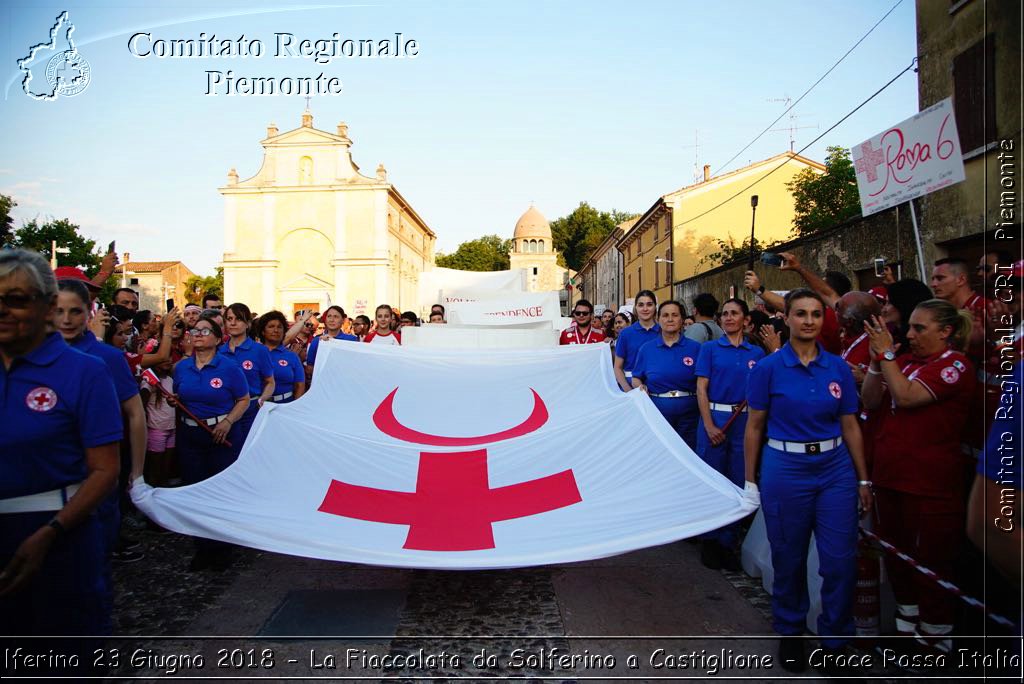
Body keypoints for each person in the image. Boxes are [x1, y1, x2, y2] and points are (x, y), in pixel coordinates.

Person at [743, 288, 872, 671]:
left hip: (835, 470)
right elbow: (754, 427)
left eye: (816, 314)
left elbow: (850, 424)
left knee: (839, 560)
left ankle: (835, 640)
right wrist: (750, 482)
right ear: (788, 318)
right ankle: (791, 629)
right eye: (801, 313)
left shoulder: (837, 368)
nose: (810, 321)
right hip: (785, 468)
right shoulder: (767, 369)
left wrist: (863, 480)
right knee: (789, 556)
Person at [0, 249, 122, 646]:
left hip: (57, 530)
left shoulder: (84, 371)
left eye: (16, 300)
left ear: (47, 306)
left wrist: (50, 532)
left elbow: (105, 469)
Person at [862, 299, 976, 654]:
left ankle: (934, 640)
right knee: (898, 561)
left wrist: (889, 358)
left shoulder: (955, 365)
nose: (910, 335)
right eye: (909, 326)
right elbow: (870, 400)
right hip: (891, 479)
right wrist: (875, 361)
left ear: (946, 332)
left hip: (929, 485)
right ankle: (907, 631)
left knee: (931, 564)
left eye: (919, 328)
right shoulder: (907, 361)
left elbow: (908, 397)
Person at [55, 279, 149, 563]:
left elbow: (135, 413)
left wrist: (137, 471)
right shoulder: (30, 355)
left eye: (76, 311)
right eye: (58, 311)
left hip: (96, 472)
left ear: (90, 313)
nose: (67, 320)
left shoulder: (106, 357)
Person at [172, 314, 249, 570]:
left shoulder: (229, 367)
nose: (198, 335)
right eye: (195, 331)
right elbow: (180, 395)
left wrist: (227, 423)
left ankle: (223, 546)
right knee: (196, 488)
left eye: (205, 331)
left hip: (221, 434)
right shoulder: (182, 367)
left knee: (220, 490)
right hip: (190, 435)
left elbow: (243, 399)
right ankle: (202, 546)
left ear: (218, 339)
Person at [695, 298, 765, 570]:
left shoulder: (755, 353)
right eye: (724, 314)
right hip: (715, 416)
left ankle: (729, 540)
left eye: (734, 313)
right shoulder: (710, 349)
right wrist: (709, 424)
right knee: (714, 479)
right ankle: (710, 540)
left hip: (744, 422)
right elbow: (702, 388)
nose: (728, 318)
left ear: (746, 319)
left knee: (739, 480)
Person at [631, 301, 703, 449]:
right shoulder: (647, 349)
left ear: (681, 319)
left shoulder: (696, 348)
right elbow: (636, 378)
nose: (670, 319)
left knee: (689, 452)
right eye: (665, 315)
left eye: (674, 315)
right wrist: (640, 387)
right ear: (658, 319)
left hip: (690, 416)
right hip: (658, 413)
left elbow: (704, 382)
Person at [744, 252, 845, 354]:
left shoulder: (834, 316)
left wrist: (776, 350)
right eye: (801, 314)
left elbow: (785, 305)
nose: (808, 321)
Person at [221, 303, 274, 447]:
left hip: (250, 410)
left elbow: (270, 381)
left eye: (238, 319)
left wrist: (263, 398)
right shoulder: (219, 351)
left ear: (248, 324)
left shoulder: (259, 350)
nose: (233, 323)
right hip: (224, 410)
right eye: (229, 318)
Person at [614, 290, 660, 392]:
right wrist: (628, 391)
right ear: (636, 308)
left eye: (649, 304)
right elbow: (617, 367)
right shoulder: (626, 334)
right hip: (630, 386)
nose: (645, 309)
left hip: (658, 387)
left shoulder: (664, 332)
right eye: (641, 305)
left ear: (655, 307)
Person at [256, 311, 306, 403]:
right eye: (271, 326)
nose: (276, 330)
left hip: (285, 406)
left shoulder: (292, 356)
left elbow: (300, 385)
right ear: (263, 331)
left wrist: (293, 408)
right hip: (257, 407)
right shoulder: (254, 354)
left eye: (279, 327)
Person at [306, 305, 359, 376]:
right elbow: (309, 369)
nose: (331, 320)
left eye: (336, 317)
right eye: (329, 316)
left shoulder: (351, 340)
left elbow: (356, 365)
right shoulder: (317, 341)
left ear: (343, 320)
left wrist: (333, 343)